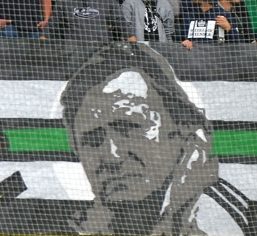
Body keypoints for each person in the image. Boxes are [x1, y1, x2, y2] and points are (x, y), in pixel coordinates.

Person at [59, 46, 242, 234]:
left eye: (128, 128)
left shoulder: (220, 222)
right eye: (92, 140)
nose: (112, 156)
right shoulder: (90, 226)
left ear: (183, 129)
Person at [184, 0, 255, 45]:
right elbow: (180, 37)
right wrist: (185, 41)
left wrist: (229, 29)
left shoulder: (224, 15)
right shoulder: (189, 15)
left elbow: (239, 44)